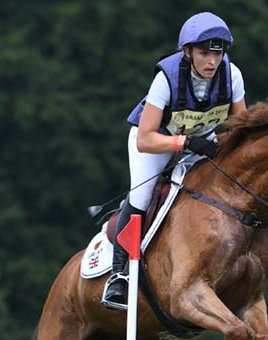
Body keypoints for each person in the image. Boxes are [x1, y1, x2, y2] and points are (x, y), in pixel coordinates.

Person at [102, 11, 247, 309]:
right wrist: (183, 142)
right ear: (188, 52)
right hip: (157, 141)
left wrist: (218, 144)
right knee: (142, 196)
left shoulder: (232, 76)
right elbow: (145, 138)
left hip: (202, 141)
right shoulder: (165, 79)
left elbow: (240, 127)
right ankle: (118, 275)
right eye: (204, 53)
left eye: (217, 54)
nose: (212, 62)